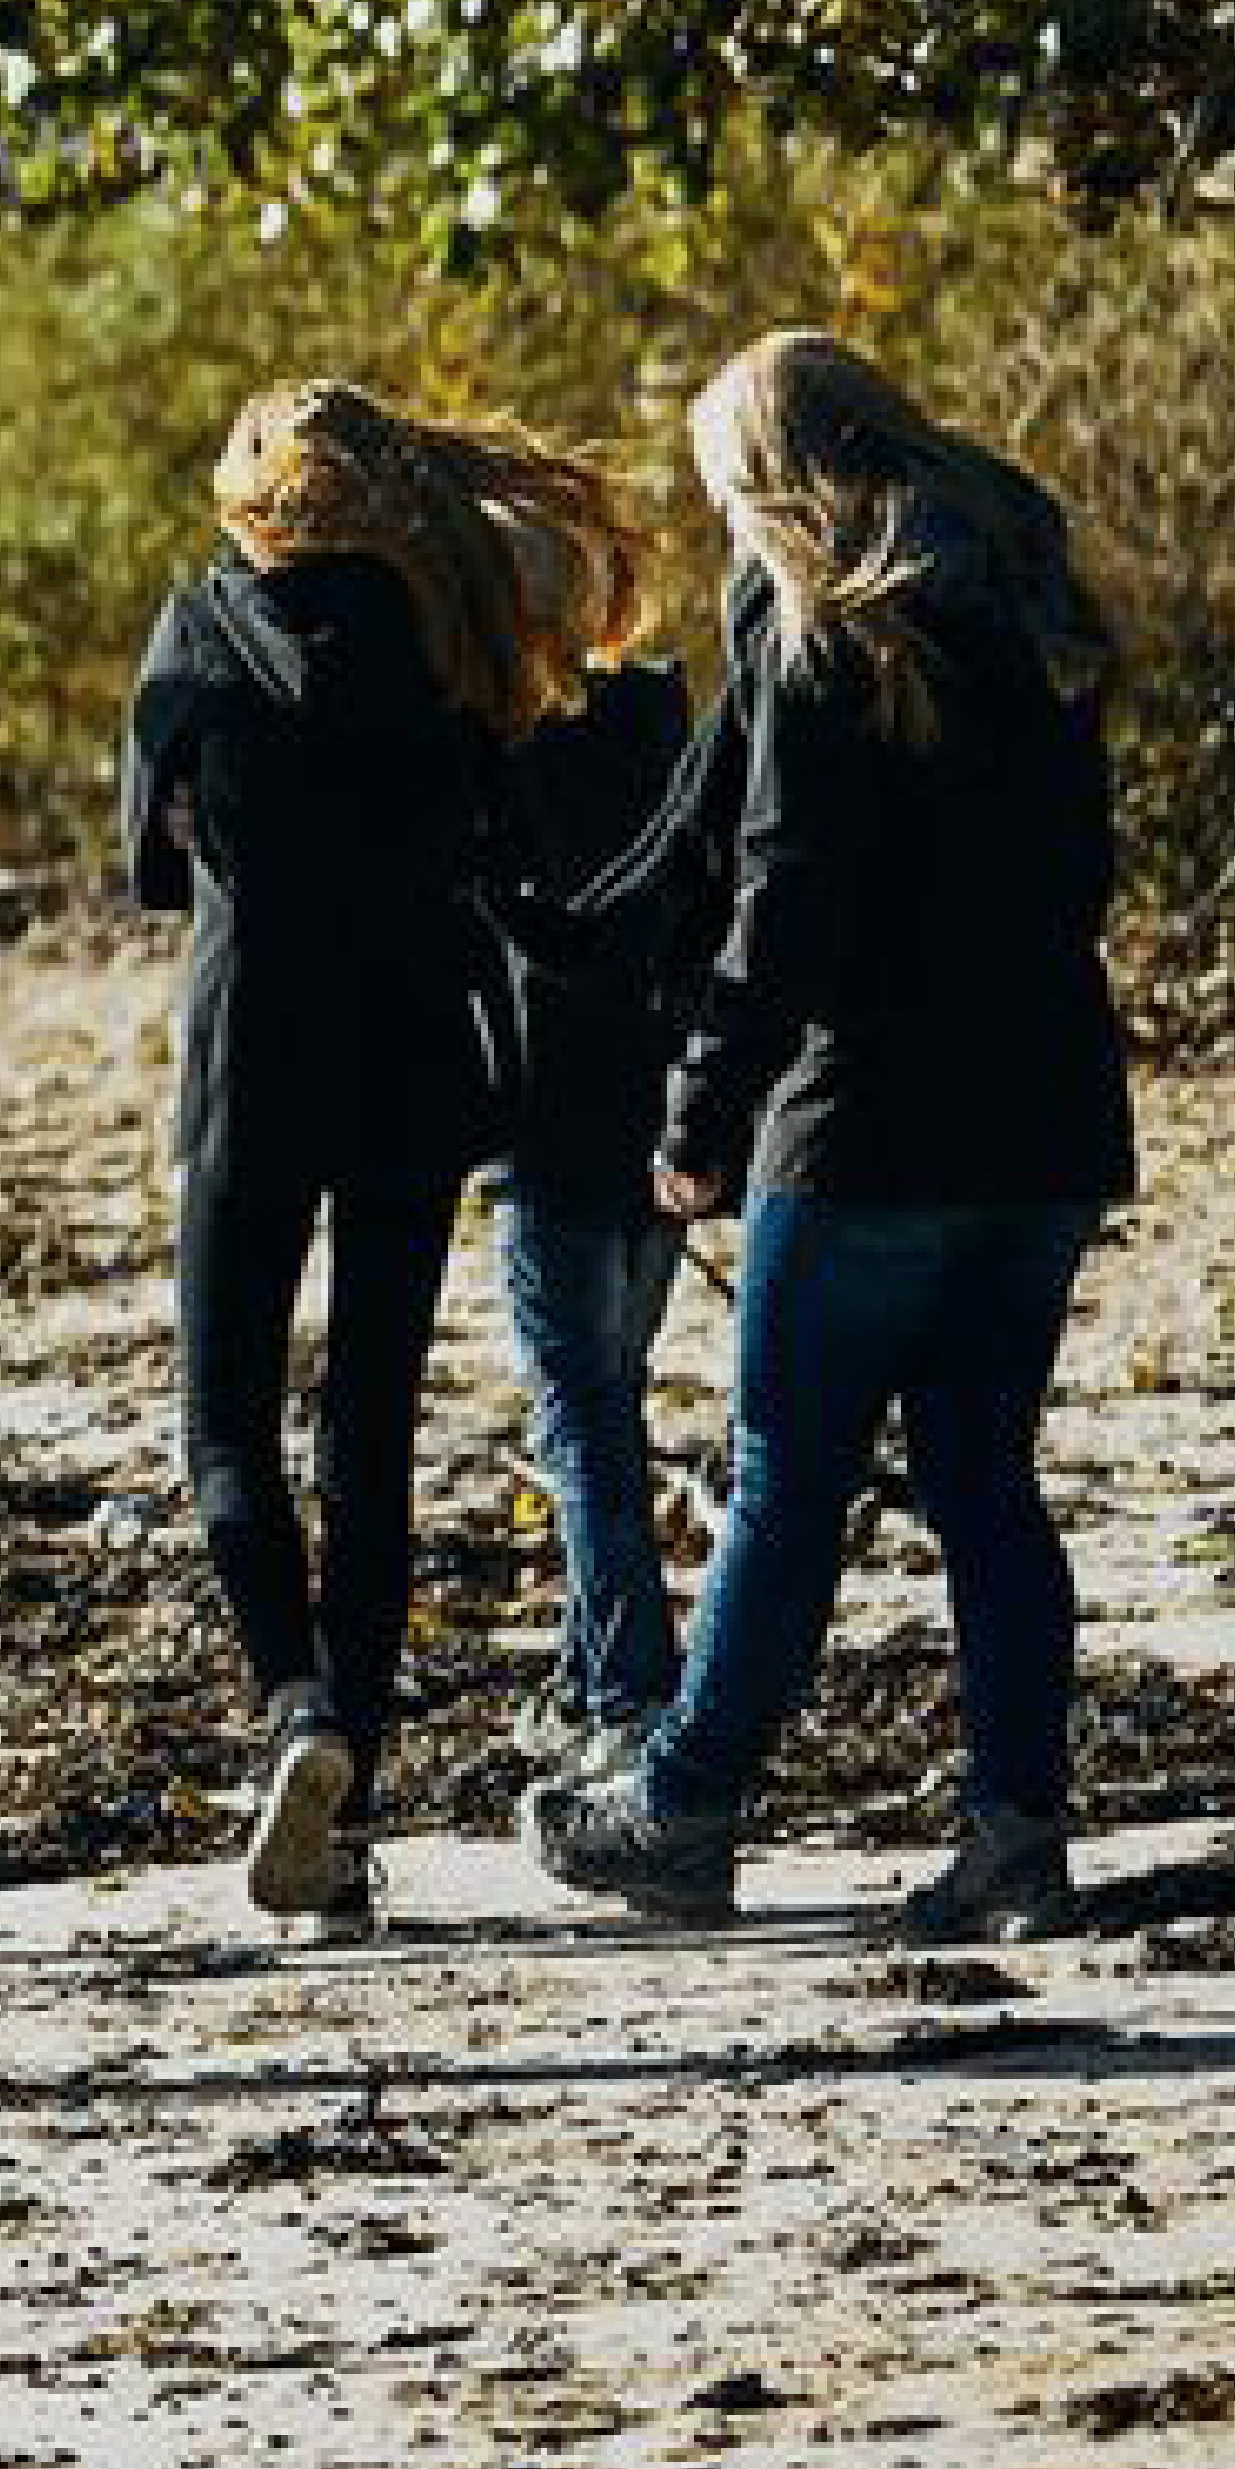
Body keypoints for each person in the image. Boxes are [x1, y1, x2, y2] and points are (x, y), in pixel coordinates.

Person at [531, 332, 1133, 1941]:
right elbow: (1087, 877)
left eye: (727, 493)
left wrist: (699, 1115)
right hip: (1053, 1110)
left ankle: (686, 1801)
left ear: (773, 478)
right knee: (983, 1478)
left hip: (871, 1122)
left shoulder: (823, 626)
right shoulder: (1029, 598)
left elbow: (789, 894)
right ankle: (1018, 1829)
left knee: (791, 1473)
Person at [124, 382, 620, 1928]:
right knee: (372, 1434)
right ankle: (347, 1825)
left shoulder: (200, 633)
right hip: (414, 1058)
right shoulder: (453, 640)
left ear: (251, 506)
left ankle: (300, 1715)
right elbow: (519, 845)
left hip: (252, 1062)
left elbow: (150, 865)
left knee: (226, 1429)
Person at [477, 500, 708, 1768]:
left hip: (549, 1112)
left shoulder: (493, 741)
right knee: (607, 1392)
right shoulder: (663, 714)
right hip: (664, 1097)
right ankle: (586, 1676)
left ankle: (628, 1689)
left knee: (578, 1408)